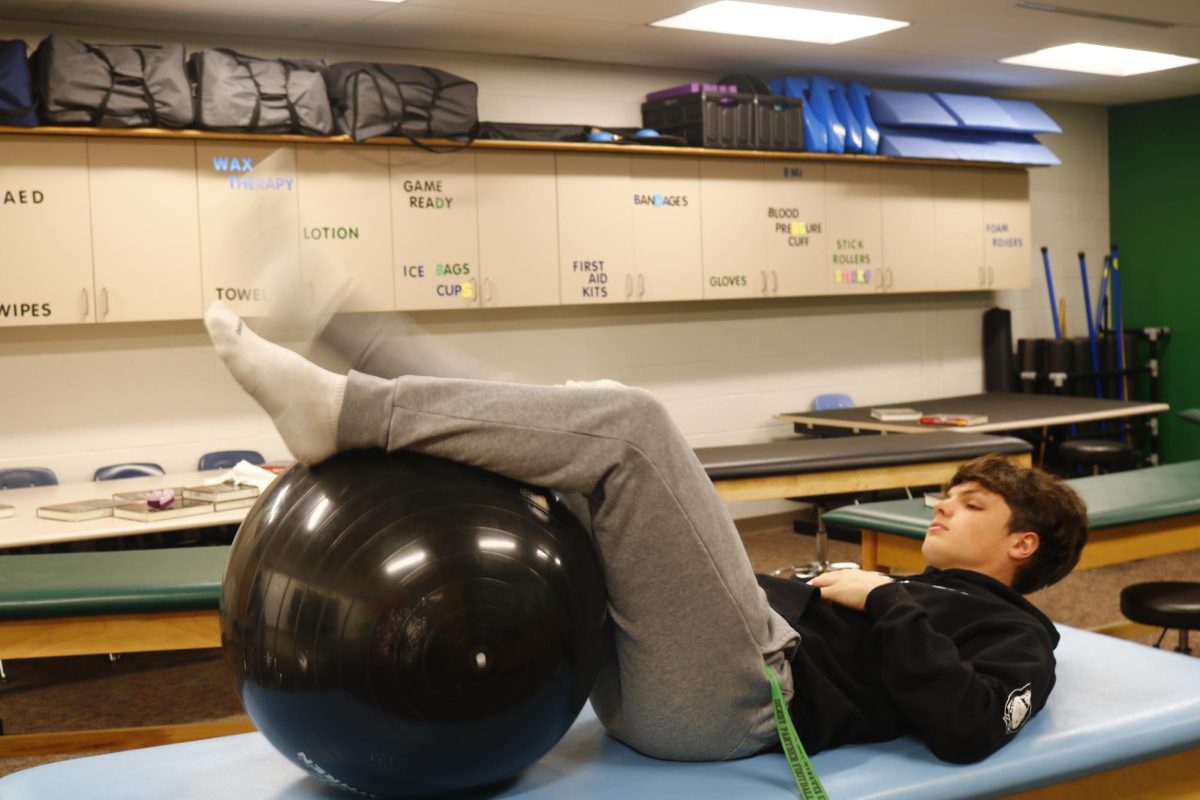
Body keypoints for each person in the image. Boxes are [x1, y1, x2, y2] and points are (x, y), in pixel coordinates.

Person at [203, 301, 1088, 766]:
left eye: (971, 506)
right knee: (576, 426)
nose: (940, 507)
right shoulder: (917, 588)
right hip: (676, 672)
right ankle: (369, 369)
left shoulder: (1020, 633)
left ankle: (349, 406)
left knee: (631, 429)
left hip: (741, 704)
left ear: (1024, 548)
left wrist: (890, 600)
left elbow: (974, 726)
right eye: (946, 494)